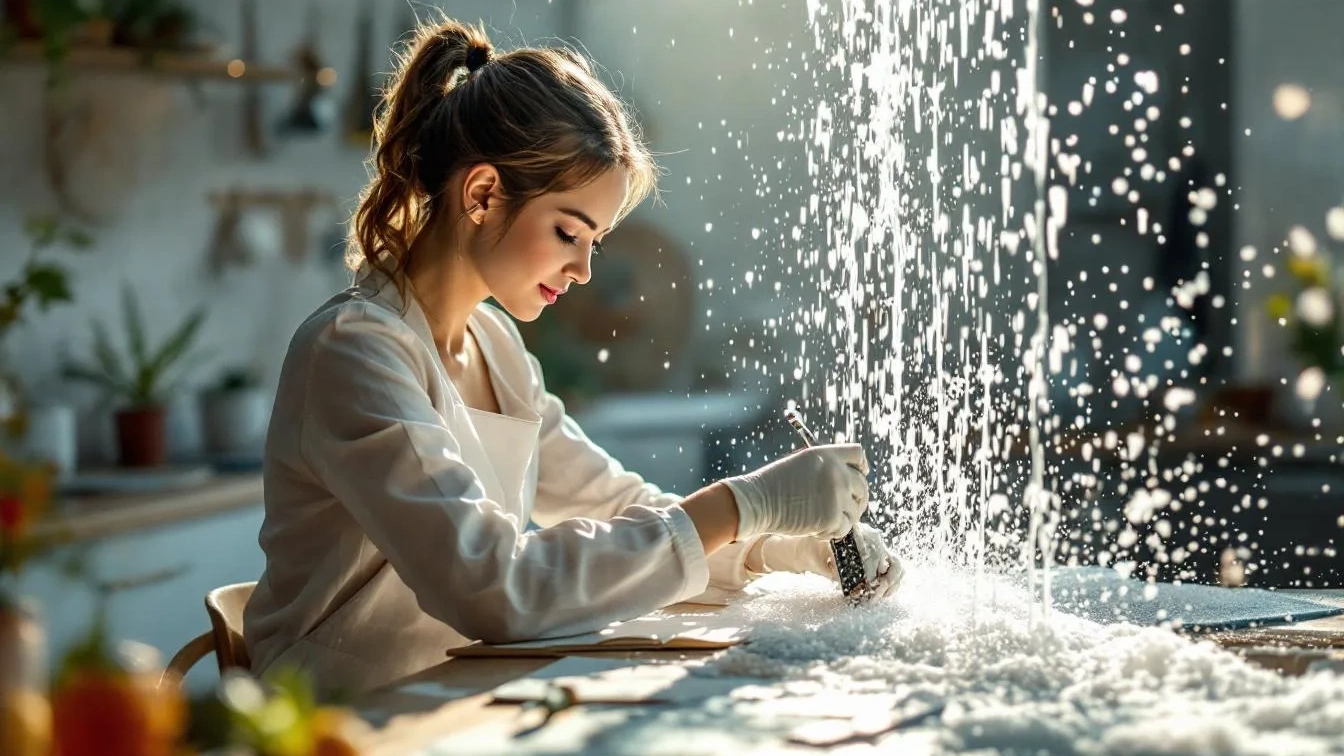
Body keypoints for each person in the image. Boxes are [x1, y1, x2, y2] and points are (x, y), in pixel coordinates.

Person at [243, 17, 903, 697]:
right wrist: (742, 504)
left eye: (596, 241)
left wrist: (777, 549)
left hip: (449, 698)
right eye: (568, 231)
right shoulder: (355, 350)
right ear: (482, 194)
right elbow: (492, 588)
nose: (585, 269)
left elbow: (616, 504)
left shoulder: (494, 345)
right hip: (334, 720)